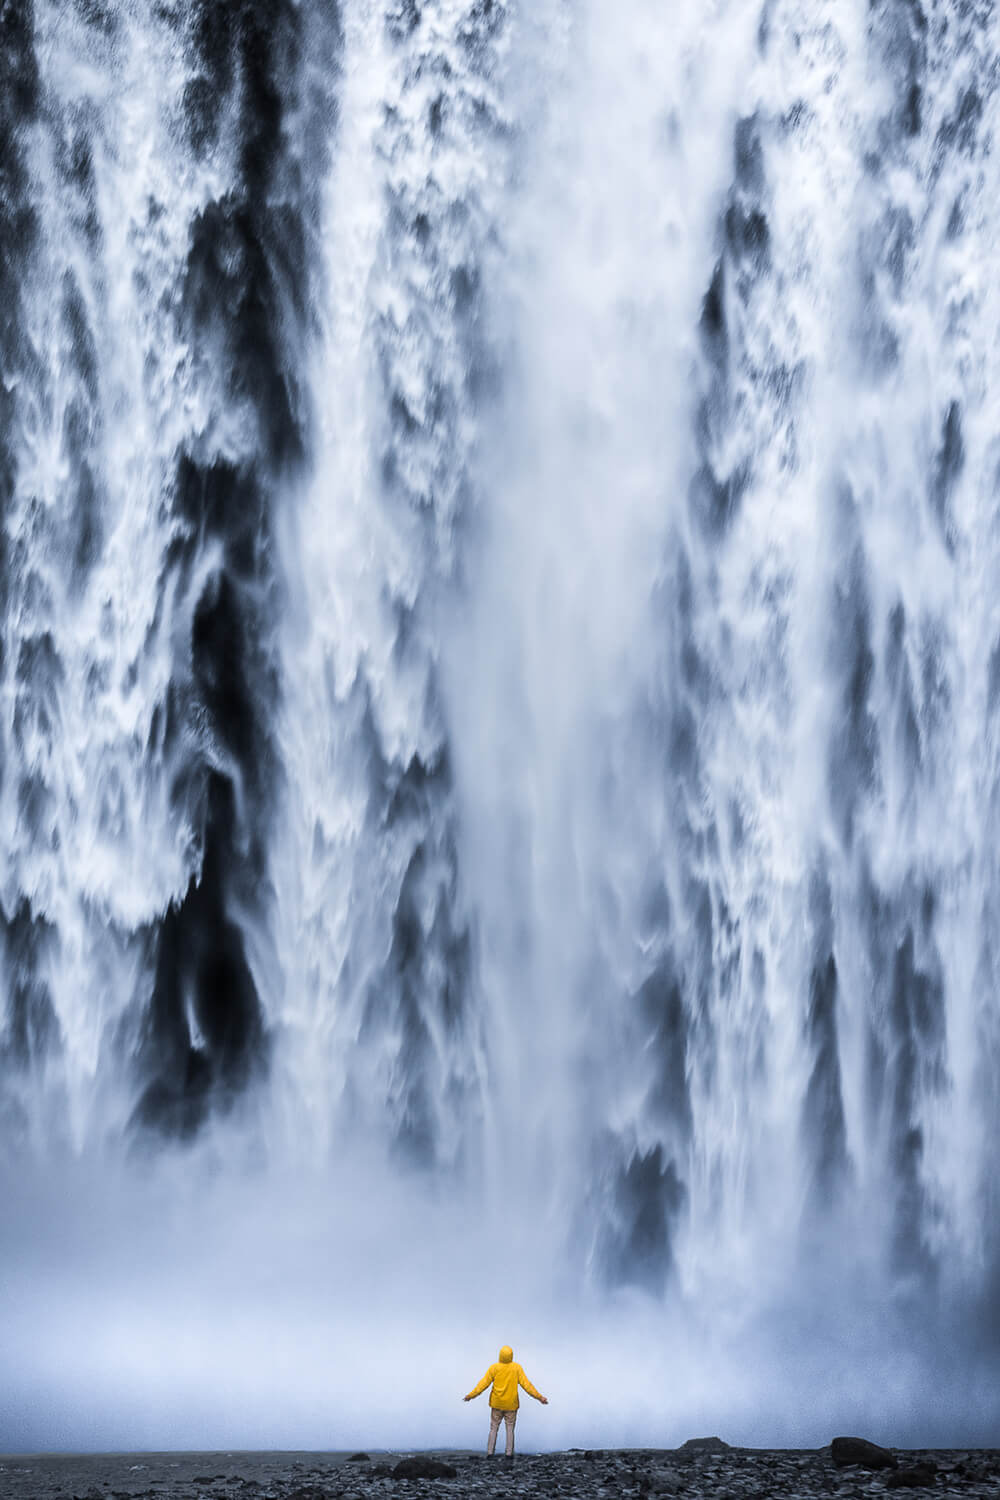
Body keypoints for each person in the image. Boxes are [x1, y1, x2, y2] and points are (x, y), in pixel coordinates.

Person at [463, 1344, 548, 1456]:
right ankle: (509, 1454)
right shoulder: (517, 1368)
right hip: (511, 1405)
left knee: (493, 1428)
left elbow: (483, 1384)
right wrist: (539, 1397)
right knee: (510, 1429)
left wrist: (471, 1395)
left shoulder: (494, 1368)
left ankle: (489, 1452)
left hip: (496, 1404)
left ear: (500, 1356)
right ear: (511, 1356)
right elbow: (527, 1385)